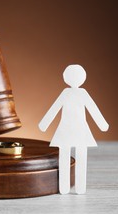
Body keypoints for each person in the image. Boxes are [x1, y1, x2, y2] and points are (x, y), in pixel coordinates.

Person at [39, 64, 109, 194]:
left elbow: (92, 109)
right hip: (74, 130)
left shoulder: (72, 93)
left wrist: (44, 124)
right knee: (73, 156)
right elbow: (55, 108)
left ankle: (71, 188)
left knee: (70, 156)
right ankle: (70, 188)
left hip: (72, 130)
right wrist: (102, 124)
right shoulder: (73, 93)